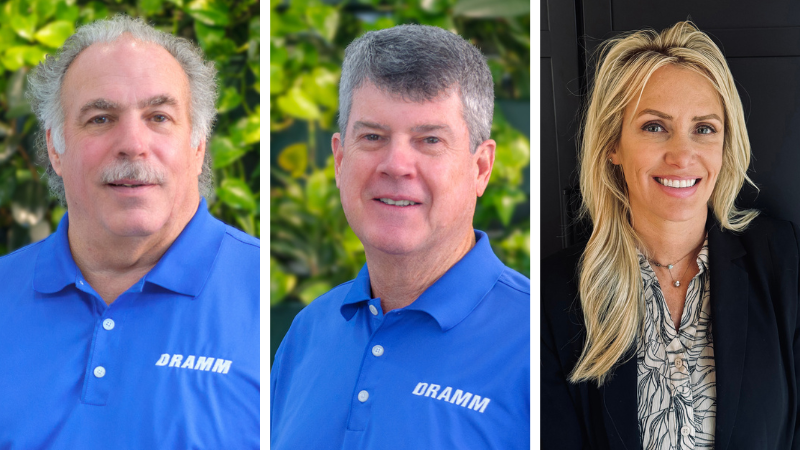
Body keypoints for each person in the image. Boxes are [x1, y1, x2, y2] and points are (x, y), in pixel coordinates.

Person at [0, 15, 259, 448]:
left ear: (198, 146)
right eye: (100, 119)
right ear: (55, 148)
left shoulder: (267, 307)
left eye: (159, 117)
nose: (133, 144)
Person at [541, 21, 800, 450]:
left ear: (724, 144)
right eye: (654, 126)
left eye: (704, 129)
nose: (683, 155)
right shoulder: (555, 296)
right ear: (613, 145)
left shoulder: (783, 261)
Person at [271, 24, 530, 449]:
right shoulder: (307, 333)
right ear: (339, 160)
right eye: (373, 137)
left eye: (429, 140)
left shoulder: (537, 344)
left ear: (481, 168)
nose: (396, 165)